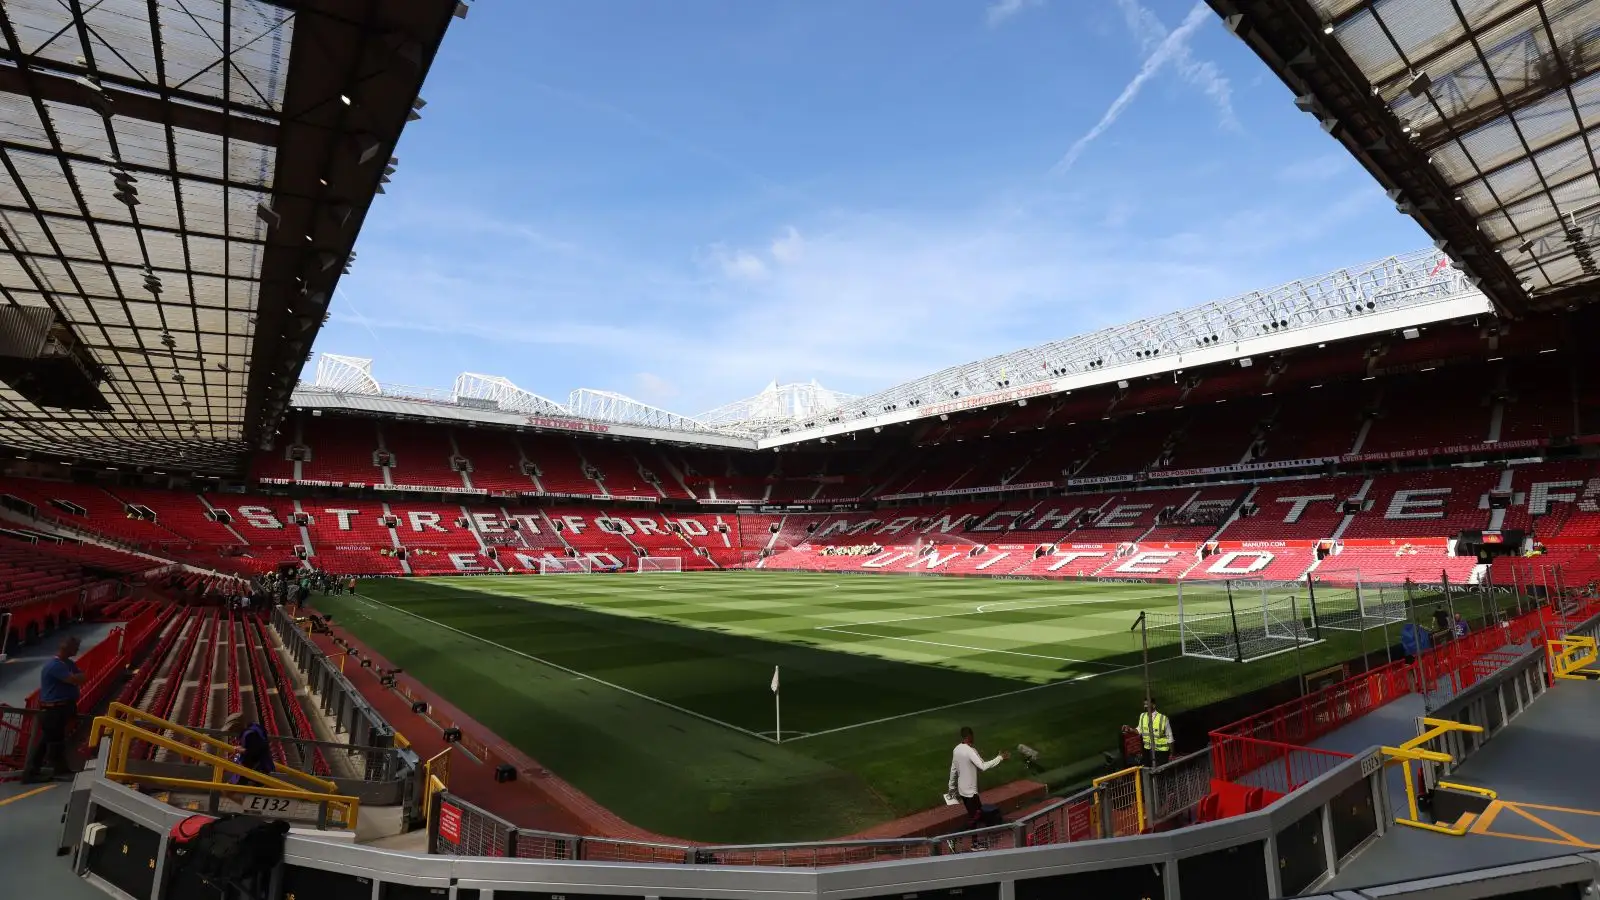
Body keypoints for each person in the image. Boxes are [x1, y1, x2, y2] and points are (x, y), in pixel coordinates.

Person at [22, 635, 86, 783]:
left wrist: (76, 678)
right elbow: (73, 679)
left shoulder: (68, 663)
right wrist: (75, 678)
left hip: (62, 709)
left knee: (52, 740)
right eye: (75, 647)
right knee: (52, 741)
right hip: (53, 710)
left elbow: (83, 677)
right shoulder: (55, 665)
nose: (77, 650)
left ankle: (45, 770)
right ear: (67, 648)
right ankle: (42, 771)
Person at [948, 726, 1007, 829]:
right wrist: (1000, 758)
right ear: (969, 736)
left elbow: (953, 771)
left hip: (962, 791)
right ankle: (956, 836)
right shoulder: (971, 751)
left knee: (976, 816)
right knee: (975, 817)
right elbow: (982, 766)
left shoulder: (956, 749)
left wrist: (951, 789)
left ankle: (976, 843)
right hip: (971, 793)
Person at [224, 709, 275, 785]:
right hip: (261, 767)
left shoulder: (248, 735)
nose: (231, 731)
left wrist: (241, 750)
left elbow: (253, 752)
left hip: (255, 769)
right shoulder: (255, 727)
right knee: (231, 791)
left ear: (238, 726)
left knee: (229, 791)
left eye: (232, 728)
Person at [1136, 699, 1173, 766]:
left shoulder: (1163, 718)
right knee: (1148, 771)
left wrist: (1171, 753)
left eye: (1147, 704)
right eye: (1144, 704)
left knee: (1161, 773)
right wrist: (1130, 730)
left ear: (1154, 705)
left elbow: (1170, 738)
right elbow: (1139, 730)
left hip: (1161, 752)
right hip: (1147, 751)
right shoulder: (1142, 716)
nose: (1145, 706)